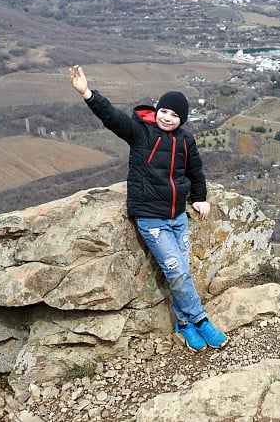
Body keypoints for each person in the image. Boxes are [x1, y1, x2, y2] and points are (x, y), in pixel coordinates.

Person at [69, 64, 227, 352]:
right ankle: (201, 320)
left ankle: (183, 323)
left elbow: (195, 170)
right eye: (164, 111)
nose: (167, 117)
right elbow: (113, 118)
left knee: (180, 272)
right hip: (151, 220)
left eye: (175, 115)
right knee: (177, 271)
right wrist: (88, 94)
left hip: (178, 216)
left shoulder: (186, 140)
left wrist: (200, 197)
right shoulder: (141, 132)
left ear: (182, 120)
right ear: (157, 110)